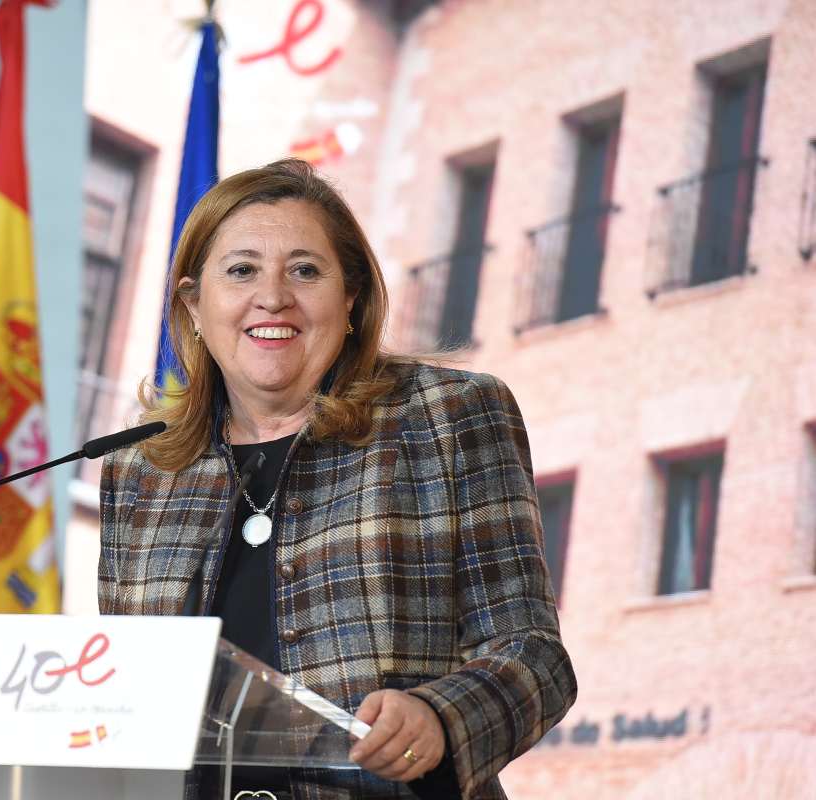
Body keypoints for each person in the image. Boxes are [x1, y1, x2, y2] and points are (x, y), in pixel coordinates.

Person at [98, 159, 576, 800]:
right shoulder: (143, 470)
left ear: (349, 297)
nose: (272, 296)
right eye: (241, 270)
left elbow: (535, 654)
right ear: (193, 305)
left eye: (305, 270)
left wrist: (440, 716)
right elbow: (125, 700)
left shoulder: (446, 416)